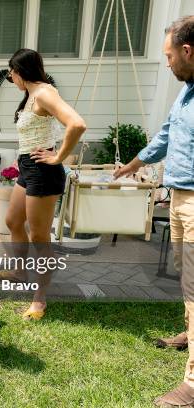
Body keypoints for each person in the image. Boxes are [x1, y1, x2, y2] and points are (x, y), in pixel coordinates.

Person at [113, 16, 194, 408]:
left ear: (187, 51)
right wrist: (131, 165)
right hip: (180, 196)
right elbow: (166, 134)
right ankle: (191, 335)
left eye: (168, 56)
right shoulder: (186, 92)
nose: (166, 64)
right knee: (188, 278)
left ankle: (193, 383)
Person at [0, 48, 86, 321]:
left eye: (12, 76)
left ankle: (40, 298)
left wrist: (58, 156)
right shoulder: (31, 95)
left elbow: (77, 124)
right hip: (28, 167)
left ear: (20, 72)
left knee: (39, 237)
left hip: (43, 171)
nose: (12, 82)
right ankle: (20, 271)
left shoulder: (44, 93)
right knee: (13, 221)